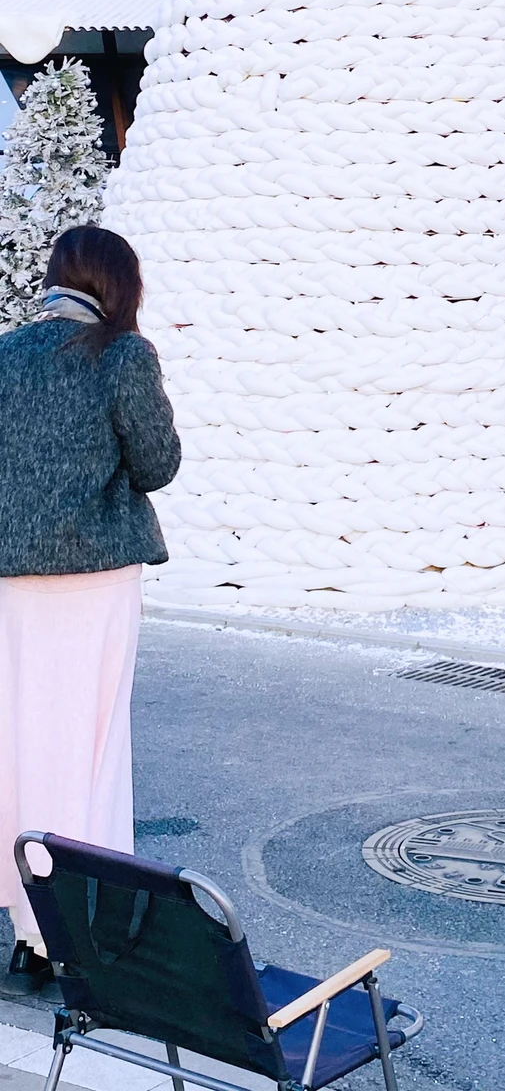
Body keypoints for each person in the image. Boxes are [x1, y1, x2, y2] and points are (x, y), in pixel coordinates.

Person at [0, 225, 180, 984]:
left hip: (10, 576)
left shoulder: (4, 352)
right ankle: (72, 923)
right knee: (91, 747)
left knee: (19, 740)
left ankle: (21, 909)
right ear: (118, 283)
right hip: (96, 580)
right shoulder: (122, 355)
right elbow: (157, 463)